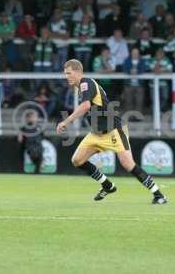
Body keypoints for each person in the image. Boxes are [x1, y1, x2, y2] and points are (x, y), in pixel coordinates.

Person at [56, 59, 167, 204]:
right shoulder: (83, 86)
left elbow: (85, 106)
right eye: (65, 74)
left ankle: (159, 195)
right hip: (96, 133)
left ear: (78, 71)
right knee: (77, 160)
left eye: (69, 73)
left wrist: (65, 121)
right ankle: (107, 185)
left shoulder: (86, 83)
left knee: (128, 164)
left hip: (114, 131)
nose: (66, 77)